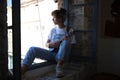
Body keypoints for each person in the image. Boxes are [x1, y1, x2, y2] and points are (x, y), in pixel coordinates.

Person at [21, 8, 76, 78]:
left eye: (54, 17)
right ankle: (22, 70)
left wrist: (64, 44)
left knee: (66, 41)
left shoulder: (69, 30)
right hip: (51, 54)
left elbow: (72, 45)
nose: (52, 19)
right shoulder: (53, 30)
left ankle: (59, 67)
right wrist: (50, 44)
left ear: (60, 18)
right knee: (32, 49)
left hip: (62, 57)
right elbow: (46, 44)